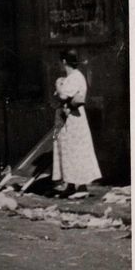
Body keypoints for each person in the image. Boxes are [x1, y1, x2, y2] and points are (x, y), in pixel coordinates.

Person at [52, 49, 102, 194]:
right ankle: (70, 184)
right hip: (67, 118)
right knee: (68, 150)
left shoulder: (75, 77)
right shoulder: (71, 77)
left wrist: (58, 84)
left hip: (73, 119)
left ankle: (81, 187)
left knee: (75, 150)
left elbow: (63, 95)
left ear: (64, 62)